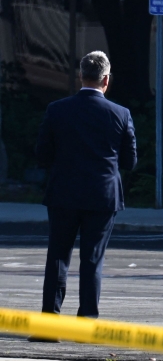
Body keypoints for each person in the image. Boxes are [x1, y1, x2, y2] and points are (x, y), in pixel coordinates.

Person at [33, 51, 137, 335]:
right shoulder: (121, 113)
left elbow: (42, 154)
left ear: (81, 76)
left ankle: (49, 323)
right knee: (92, 259)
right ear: (106, 79)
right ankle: (87, 320)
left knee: (57, 256)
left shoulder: (57, 109)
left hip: (64, 192)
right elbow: (130, 161)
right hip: (103, 195)